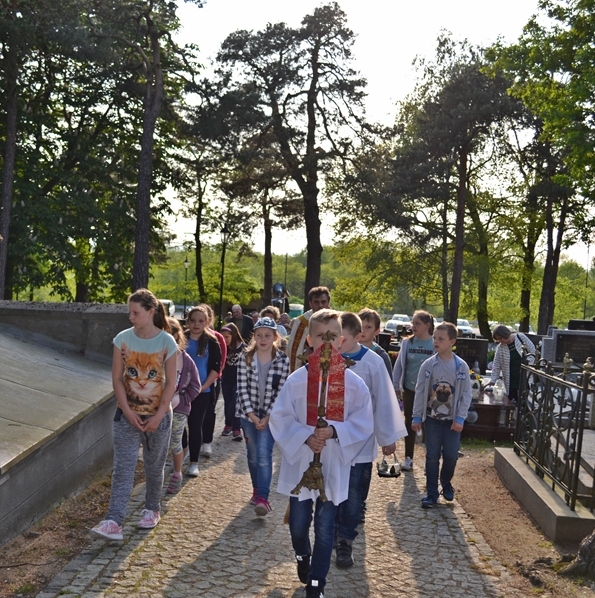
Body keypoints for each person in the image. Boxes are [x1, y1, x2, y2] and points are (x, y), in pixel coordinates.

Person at [269, 309, 374, 598]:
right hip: (301, 460)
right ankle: (302, 554)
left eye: (332, 336)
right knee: (299, 525)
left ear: (341, 341)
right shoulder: (296, 380)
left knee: (326, 527)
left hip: (335, 462)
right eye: (319, 336)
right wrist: (305, 437)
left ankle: (317, 583)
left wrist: (335, 431)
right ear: (309, 341)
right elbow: (281, 417)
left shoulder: (354, 383)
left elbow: (363, 421)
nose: (326, 342)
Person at [91, 289, 178, 540]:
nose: (130, 317)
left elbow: (171, 382)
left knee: (154, 467)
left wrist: (158, 416)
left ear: (150, 312)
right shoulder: (122, 339)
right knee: (123, 469)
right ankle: (114, 521)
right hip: (126, 417)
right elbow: (117, 379)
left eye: (135, 313)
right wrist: (127, 411)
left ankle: (152, 509)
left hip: (158, 417)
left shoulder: (167, 342)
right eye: (129, 312)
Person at [335, 312, 407, 568]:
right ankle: (331, 532)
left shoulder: (373, 362)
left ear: (358, 336)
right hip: (332, 441)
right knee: (333, 489)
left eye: (342, 338)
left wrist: (387, 437)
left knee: (354, 492)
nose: (338, 342)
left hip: (361, 442)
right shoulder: (328, 359)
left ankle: (345, 540)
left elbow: (384, 401)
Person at [411, 321, 472, 508]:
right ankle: (431, 494)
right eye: (434, 338)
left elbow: (466, 394)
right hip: (433, 420)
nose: (436, 342)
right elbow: (420, 391)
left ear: (452, 342)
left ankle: (446, 482)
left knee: (451, 456)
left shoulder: (460, 367)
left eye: (441, 339)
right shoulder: (428, 365)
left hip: (452, 421)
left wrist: (460, 418)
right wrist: (416, 416)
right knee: (432, 456)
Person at [237, 317, 290, 515]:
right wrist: (252, 415)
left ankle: (263, 497)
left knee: (263, 453)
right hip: (247, 414)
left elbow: (281, 391)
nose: (263, 339)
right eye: (259, 335)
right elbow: (241, 388)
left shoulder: (282, 360)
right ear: (254, 337)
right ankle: (256, 488)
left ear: (275, 337)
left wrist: (267, 416)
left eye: (267, 335)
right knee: (252, 454)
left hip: (271, 415)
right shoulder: (245, 358)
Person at [392, 310, 435, 472]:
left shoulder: (434, 344)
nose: (413, 326)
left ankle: (430, 460)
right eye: (413, 323)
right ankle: (408, 457)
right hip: (409, 388)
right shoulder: (407, 343)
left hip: (429, 391)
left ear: (427, 325)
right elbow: (399, 365)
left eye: (417, 323)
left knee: (428, 422)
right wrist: (395, 385)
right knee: (410, 421)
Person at [183, 305, 222, 477]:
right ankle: (182, 451)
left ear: (206, 322)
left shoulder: (212, 341)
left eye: (200, 321)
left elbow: (215, 367)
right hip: (181, 391)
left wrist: (204, 387)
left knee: (195, 425)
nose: (196, 324)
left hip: (201, 392)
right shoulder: (181, 338)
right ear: (188, 322)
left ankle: (194, 462)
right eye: (193, 321)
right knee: (179, 426)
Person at [165, 318, 201, 494]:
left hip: (179, 408)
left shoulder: (186, 360)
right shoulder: (156, 356)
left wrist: (183, 398)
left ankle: (177, 473)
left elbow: (196, 386)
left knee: (175, 441)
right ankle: (157, 475)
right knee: (158, 443)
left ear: (176, 336)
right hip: (158, 407)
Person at [200, 305, 227, 455]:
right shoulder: (189, 336)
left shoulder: (217, 337)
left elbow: (221, 363)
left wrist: (209, 381)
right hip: (191, 383)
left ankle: (207, 442)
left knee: (209, 412)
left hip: (211, 381)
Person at [485, 325, 536, 402]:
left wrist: (528, 363)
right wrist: (493, 380)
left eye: (500, 338)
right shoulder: (500, 348)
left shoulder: (520, 337)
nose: (500, 341)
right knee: (513, 401)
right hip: (511, 380)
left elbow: (532, 351)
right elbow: (496, 365)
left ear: (505, 334)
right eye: (498, 340)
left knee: (525, 402)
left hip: (525, 376)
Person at [286, 286, 330, 372]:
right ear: (310, 303)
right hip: (307, 368)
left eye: (323, 302)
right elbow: (294, 351)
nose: (320, 305)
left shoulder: (337, 321)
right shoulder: (301, 322)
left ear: (328, 303)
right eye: (316, 302)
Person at [220, 322, 245, 441]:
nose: (224, 340)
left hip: (238, 380)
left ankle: (237, 427)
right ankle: (228, 424)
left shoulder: (243, 348)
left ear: (234, 335)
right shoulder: (223, 347)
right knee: (228, 402)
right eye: (222, 337)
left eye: (227, 337)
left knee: (236, 402)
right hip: (226, 379)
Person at [358, 308, 393, 377]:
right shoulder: (346, 350)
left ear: (377, 331)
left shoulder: (381, 356)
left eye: (368, 327)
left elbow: (387, 382)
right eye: (360, 326)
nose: (362, 330)